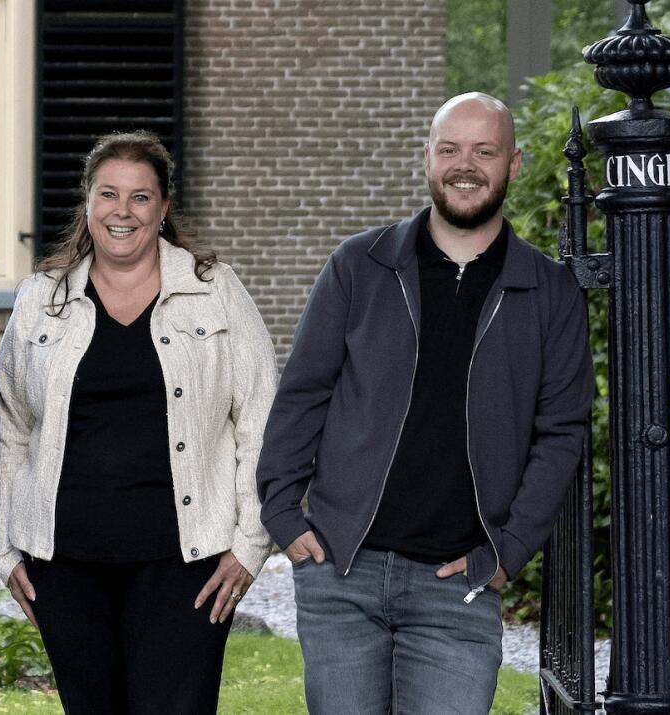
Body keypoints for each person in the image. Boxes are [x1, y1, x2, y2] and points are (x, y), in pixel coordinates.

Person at [255, 92, 591, 714]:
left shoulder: (550, 291)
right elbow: (303, 392)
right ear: (427, 159)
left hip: (459, 587)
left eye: (484, 151)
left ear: (513, 164)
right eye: (450, 149)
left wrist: (509, 550)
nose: (466, 165)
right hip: (342, 574)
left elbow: (562, 432)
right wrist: (283, 512)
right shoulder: (361, 265)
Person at [0, 131, 277, 714]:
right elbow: (13, 430)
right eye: (108, 194)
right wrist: (6, 548)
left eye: (140, 197)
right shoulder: (41, 299)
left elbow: (262, 421)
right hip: (64, 564)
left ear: (164, 207)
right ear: (88, 203)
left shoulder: (214, 290)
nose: (123, 212)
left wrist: (249, 545)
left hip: (186, 565)